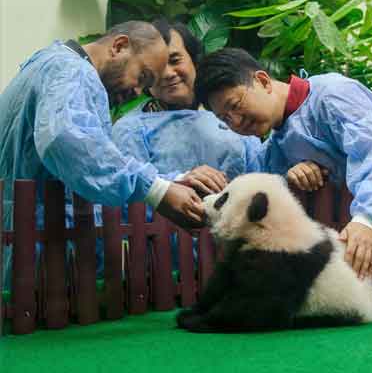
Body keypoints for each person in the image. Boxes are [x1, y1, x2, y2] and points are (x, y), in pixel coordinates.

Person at [0, 21, 224, 287]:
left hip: (28, 246)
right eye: (142, 76)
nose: (138, 91)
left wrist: (171, 182)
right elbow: (70, 145)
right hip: (45, 259)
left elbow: (89, 181)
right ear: (119, 46)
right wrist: (157, 189)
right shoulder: (71, 71)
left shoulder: (46, 66)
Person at [194, 48, 372, 279]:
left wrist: (367, 219)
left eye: (234, 105)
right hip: (350, 253)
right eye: (224, 118)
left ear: (263, 81)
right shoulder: (274, 146)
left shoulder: (333, 95)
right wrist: (291, 178)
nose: (235, 121)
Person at [112, 20, 262, 184]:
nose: (168, 73)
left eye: (175, 60)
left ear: (195, 60)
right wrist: (177, 182)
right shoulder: (130, 130)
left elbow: (263, 177)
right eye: (157, 67)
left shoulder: (233, 110)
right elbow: (126, 191)